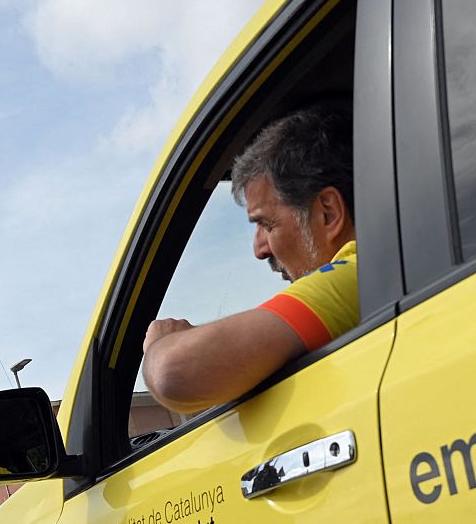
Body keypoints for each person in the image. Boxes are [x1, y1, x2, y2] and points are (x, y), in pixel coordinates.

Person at [143, 104, 357, 413]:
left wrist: (160, 346)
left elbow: (172, 373)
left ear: (328, 212)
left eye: (267, 224)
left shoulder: (357, 273)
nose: (260, 249)